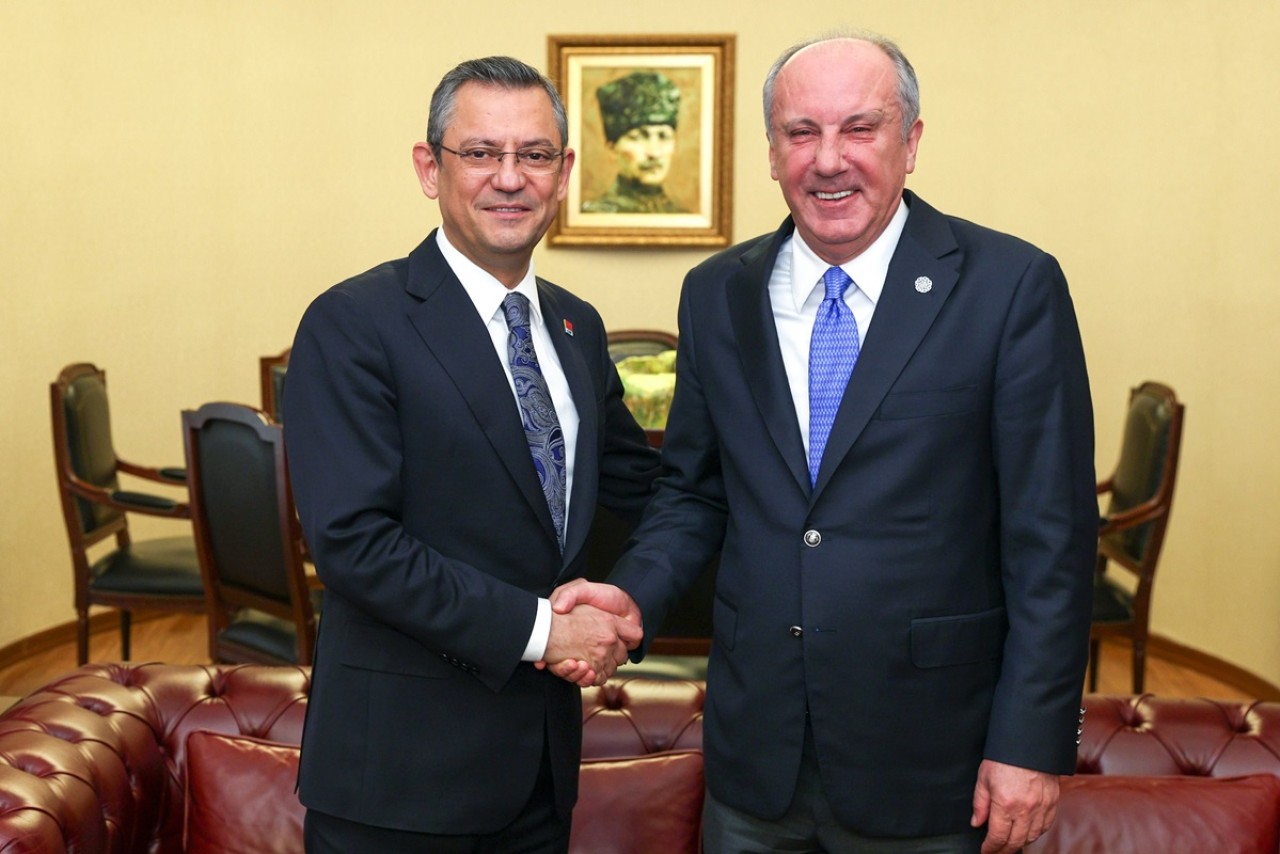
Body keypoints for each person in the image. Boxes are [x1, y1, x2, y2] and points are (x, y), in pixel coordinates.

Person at [552, 31, 1096, 854]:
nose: (829, 159)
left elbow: (1052, 536)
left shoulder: (1010, 287)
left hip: (931, 757)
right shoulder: (717, 294)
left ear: (911, 141)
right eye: (801, 133)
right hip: (756, 758)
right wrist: (635, 595)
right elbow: (694, 492)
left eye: (860, 129)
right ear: (772, 152)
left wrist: (1029, 742)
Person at [283, 55, 660, 853]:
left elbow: (643, 491)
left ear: (563, 175)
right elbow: (354, 544)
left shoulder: (576, 327)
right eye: (481, 152)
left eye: (535, 155)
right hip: (397, 783)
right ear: (431, 169)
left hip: (539, 774)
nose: (509, 178)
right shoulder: (354, 323)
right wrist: (546, 631)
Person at [582, 70, 686, 213]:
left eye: (663, 136)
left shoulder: (684, 218)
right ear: (612, 148)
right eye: (638, 137)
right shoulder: (594, 216)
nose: (654, 153)